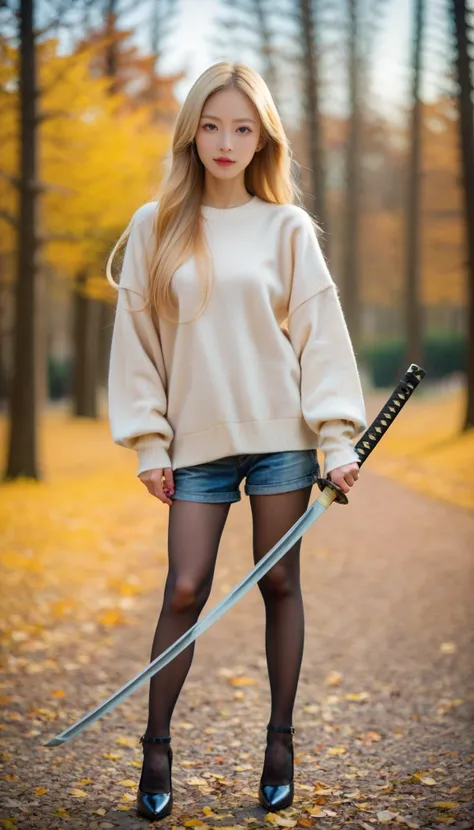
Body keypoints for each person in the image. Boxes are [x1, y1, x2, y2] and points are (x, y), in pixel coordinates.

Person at [106, 61, 366, 822]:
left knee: (280, 584)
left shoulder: (286, 229)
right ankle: (157, 747)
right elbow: (137, 345)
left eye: (243, 128)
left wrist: (337, 439)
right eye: (213, 125)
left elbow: (320, 337)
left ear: (263, 140)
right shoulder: (154, 224)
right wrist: (150, 445)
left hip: (281, 436)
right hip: (196, 444)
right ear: (192, 131)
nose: (226, 141)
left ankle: (280, 742)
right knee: (183, 589)